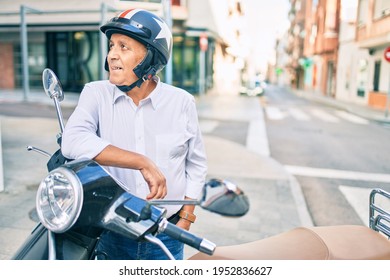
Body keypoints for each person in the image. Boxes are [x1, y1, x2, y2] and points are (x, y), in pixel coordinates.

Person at [61, 8, 207, 260]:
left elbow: (195, 164)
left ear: (151, 57)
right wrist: (141, 162)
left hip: (167, 233)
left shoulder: (181, 102)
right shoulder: (96, 93)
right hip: (111, 231)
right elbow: (72, 141)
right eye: (111, 46)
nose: (111, 56)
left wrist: (186, 217)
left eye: (123, 47)